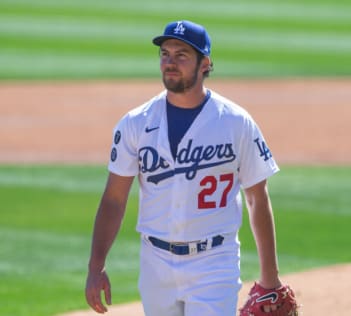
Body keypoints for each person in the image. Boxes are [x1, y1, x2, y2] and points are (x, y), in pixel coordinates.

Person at [85, 20, 284, 316]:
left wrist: (270, 279)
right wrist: (96, 265)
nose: (170, 63)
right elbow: (114, 199)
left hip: (215, 261)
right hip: (155, 262)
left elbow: (257, 198)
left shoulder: (235, 122)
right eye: (165, 54)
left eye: (181, 55)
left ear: (205, 64)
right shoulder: (135, 123)